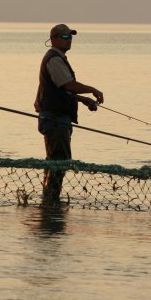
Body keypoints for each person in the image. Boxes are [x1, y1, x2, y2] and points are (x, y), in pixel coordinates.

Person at [34, 23, 104, 202]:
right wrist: (92, 90)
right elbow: (68, 85)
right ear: (53, 39)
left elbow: (63, 90)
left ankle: (49, 200)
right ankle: (51, 201)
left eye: (70, 36)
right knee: (59, 162)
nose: (69, 40)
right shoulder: (54, 59)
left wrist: (82, 99)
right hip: (55, 120)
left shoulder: (58, 58)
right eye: (65, 37)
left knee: (57, 161)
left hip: (58, 119)